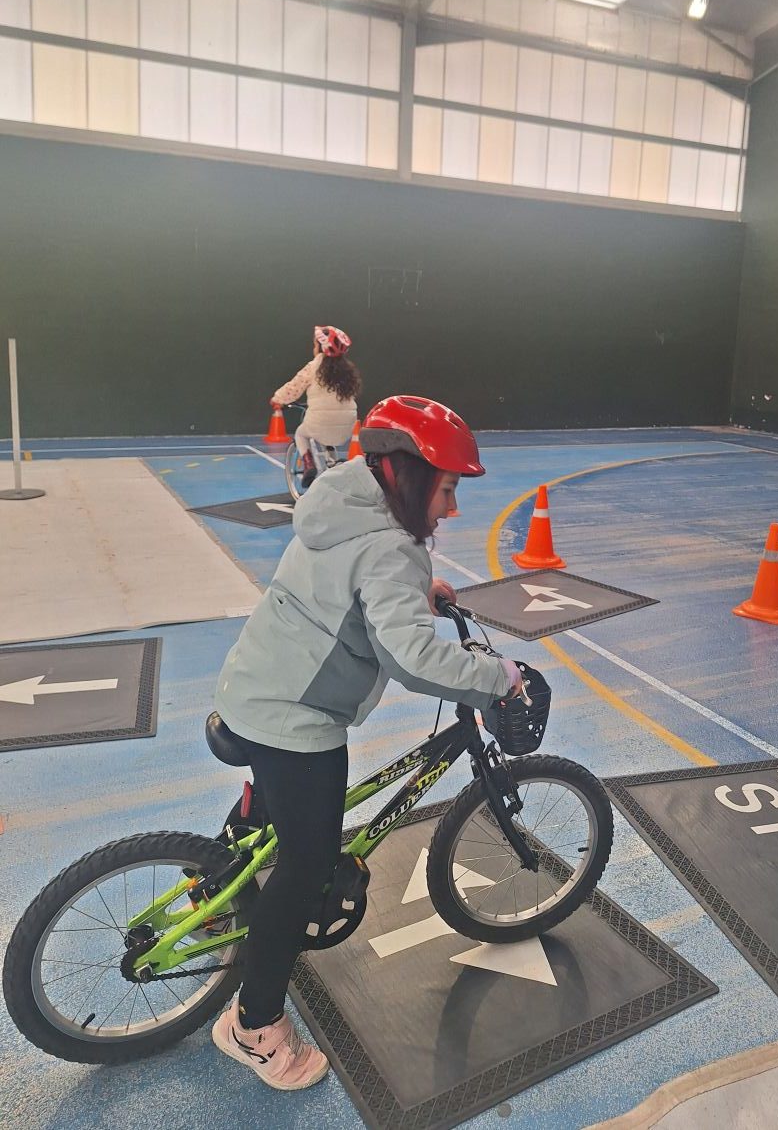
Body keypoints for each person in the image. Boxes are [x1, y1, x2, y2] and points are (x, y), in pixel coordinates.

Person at [211, 395, 525, 1090]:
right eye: (447, 489)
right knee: (307, 865)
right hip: (295, 714)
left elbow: (356, 578)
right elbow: (413, 658)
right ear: (409, 477)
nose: (453, 508)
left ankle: (211, 889)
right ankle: (253, 1026)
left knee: (279, 810)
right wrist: (496, 678)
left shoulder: (345, 498)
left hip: (255, 682)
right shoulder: (390, 549)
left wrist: (418, 589)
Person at [271, 326, 360, 482]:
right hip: (348, 426)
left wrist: (278, 399)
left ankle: (308, 463)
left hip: (319, 421)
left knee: (301, 434)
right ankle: (332, 465)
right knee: (328, 435)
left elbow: (294, 387)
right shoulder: (348, 371)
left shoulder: (313, 367)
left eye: (314, 345)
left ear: (320, 347)